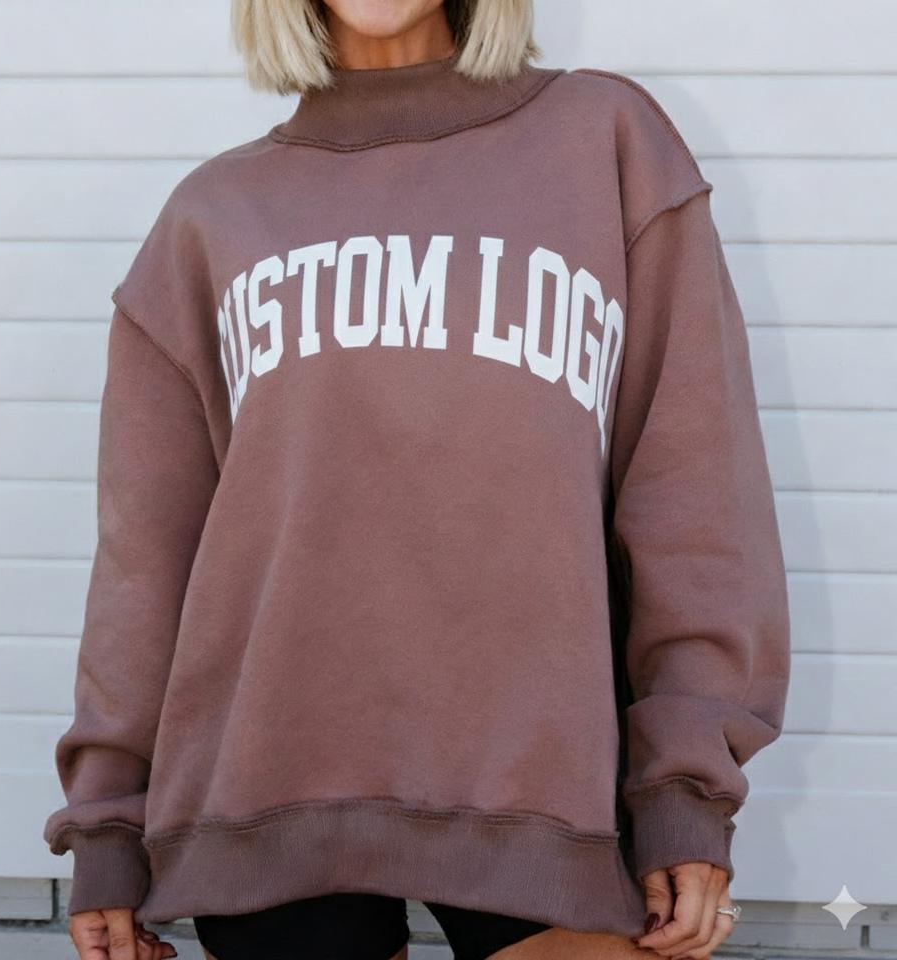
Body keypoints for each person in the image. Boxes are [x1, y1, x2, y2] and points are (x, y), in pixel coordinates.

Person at [42, 1, 792, 958]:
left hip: (553, 795)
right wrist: (107, 823)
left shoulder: (604, 141)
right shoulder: (210, 216)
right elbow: (146, 561)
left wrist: (684, 786)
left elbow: (696, 496)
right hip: (269, 791)